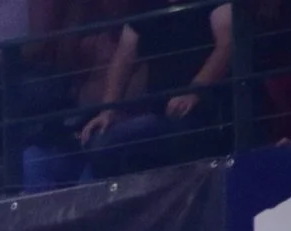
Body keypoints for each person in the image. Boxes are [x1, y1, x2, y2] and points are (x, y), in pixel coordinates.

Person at [79, 2, 231, 175]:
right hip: (157, 112)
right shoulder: (149, 5)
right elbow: (124, 56)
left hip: (203, 114)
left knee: (108, 143)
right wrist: (108, 109)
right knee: (97, 142)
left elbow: (226, 44)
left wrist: (195, 91)